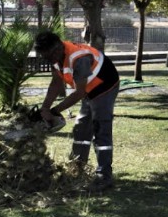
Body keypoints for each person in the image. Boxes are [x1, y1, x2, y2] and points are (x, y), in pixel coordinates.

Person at [34, 31, 120, 190]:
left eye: (50, 56)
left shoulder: (78, 58)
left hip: (105, 85)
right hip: (89, 88)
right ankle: (77, 167)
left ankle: (104, 176)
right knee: (81, 128)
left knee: (101, 129)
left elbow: (79, 93)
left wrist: (54, 111)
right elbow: (56, 83)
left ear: (58, 47)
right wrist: (45, 108)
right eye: (46, 57)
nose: (49, 60)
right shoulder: (55, 57)